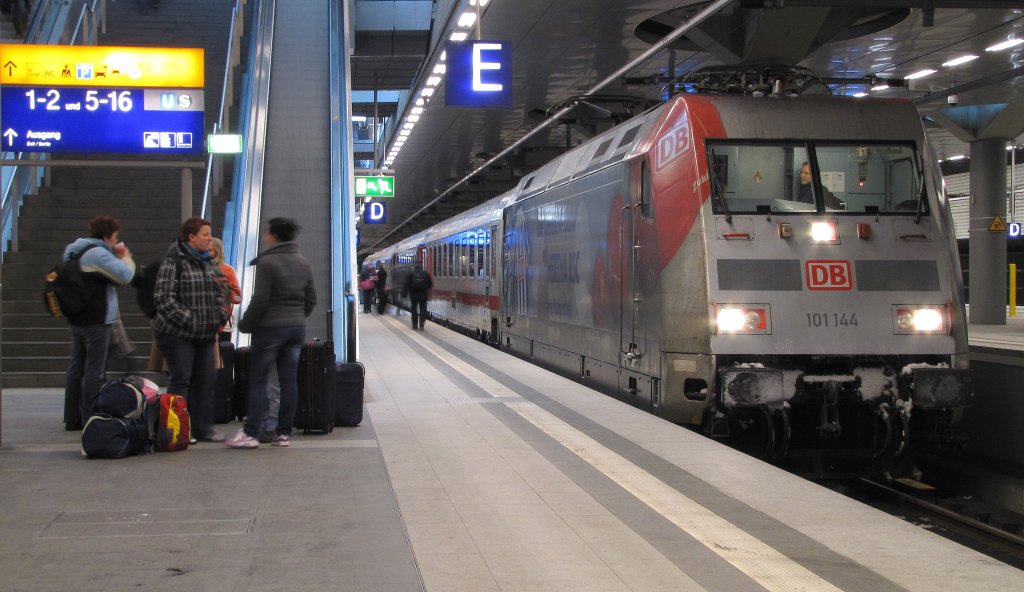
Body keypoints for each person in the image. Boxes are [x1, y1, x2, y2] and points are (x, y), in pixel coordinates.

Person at [227, 217, 316, 449]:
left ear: (274, 236)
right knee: (289, 382)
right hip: (296, 329)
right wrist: (297, 316)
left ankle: (252, 433)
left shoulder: (268, 262)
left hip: (270, 329)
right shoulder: (302, 262)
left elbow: (261, 299)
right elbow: (311, 299)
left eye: (267, 232)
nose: (265, 236)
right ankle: (283, 433)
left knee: (259, 380)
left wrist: (246, 324)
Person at [152, 217, 229, 443]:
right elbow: (163, 298)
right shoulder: (173, 262)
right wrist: (189, 320)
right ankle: (178, 429)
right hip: (178, 334)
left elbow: (222, 293)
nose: (209, 239)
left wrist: (218, 316)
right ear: (191, 237)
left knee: (206, 380)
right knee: (180, 380)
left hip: (205, 334)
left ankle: (203, 428)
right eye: (205, 234)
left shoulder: (208, 264)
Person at [62, 216, 136, 430]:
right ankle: (90, 416)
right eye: (115, 236)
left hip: (77, 316)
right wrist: (125, 257)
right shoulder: (97, 253)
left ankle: (72, 416)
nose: (116, 240)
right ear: (107, 235)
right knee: (95, 370)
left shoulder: (74, 249)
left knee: (76, 367)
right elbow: (125, 276)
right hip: (97, 319)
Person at [403, 263, 433, 330]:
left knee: (414, 309)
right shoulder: (425, 274)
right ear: (421, 267)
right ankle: (422, 323)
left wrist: (404, 294)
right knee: (423, 309)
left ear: (414, 267)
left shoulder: (410, 274)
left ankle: (414, 325)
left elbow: (407, 285)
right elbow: (430, 284)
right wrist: (426, 288)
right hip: (423, 295)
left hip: (413, 295)